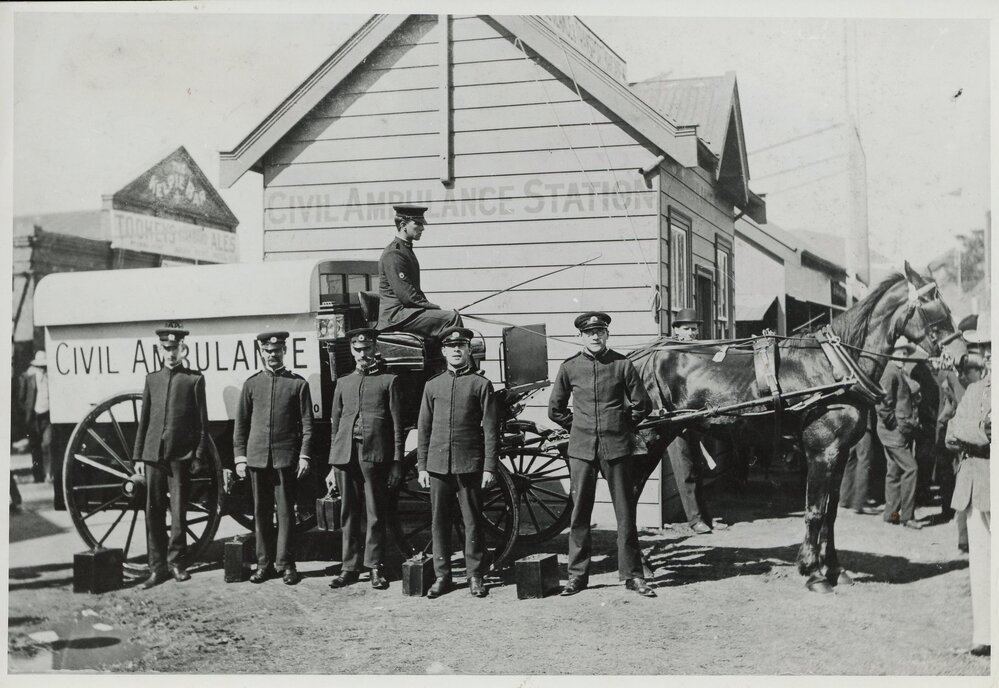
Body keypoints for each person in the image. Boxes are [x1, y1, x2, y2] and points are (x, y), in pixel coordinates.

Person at [548, 311, 655, 598]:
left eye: (600, 332)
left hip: (617, 449)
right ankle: (577, 577)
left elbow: (643, 404)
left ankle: (633, 575)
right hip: (582, 450)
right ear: (580, 336)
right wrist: (580, 427)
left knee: (625, 513)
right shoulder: (569, 367)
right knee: (580, 513)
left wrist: (620, 424)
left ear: (607, 334)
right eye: (589, 333)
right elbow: (555, 409)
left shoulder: (622, 364)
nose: (595, 337)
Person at [417, 327, 498, 599]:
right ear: (443, 351)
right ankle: (443, 576)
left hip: (469, 464)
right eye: (451, 347)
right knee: (439, 522)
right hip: (438, 465)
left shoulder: (480, 385)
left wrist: (488, 467)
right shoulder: (432, 386)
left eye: (461, 346)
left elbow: (490, 430)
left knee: (472, 521)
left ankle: (475, 574)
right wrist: (422, 466)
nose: (456, 351)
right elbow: (424, 428)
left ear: (468, 350)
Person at [132, 323, 210, 589]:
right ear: (159, 349)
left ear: (183, 349)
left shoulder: (194, 380)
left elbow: (202, 424)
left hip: (180, 455)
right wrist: (138, 457)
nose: (171, 353)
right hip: (154, 455)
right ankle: (157, 568)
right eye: (166, 348)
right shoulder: (152, 379)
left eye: (175, 348)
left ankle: (176, 563)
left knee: (178, 513)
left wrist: (198, 455)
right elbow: (143, 422)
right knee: (153, 512)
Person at [326, 328, 405, 591]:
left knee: (374, 513)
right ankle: (349, 567)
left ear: (375, 349)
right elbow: (335, 426)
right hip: (345, 455)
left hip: (375, 455)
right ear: (351, 350)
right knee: (348, 512)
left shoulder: (389, 381)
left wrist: (396, 462)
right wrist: (331, 465)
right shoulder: (343, 383)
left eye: (367, 348)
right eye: (358, 350)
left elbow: (396, 426)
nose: (363, 354)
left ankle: (374, 567)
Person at [234, 331, 314, 585]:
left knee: (286, 513)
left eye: (277, 351)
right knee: (260, 513)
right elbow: (241, 424)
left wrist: (304, 456)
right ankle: (263, 564)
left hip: (285, 458)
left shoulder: (297, 384)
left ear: (284, 352)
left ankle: (286, 564)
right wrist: (239, 457)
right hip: (257, 458)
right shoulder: (251, 384)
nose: (272, 355)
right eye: (268, 352)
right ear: (261, 353)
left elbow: (308, 425)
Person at [945, 313, 990, 658]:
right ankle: (984, 634)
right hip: (977, 483)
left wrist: (971, 433)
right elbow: (951, 433)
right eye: (986, 349)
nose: (988, 355)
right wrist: (981, 434)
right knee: (981, 561)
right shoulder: (976, 389)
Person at [376, 204, 463, 339]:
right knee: (451, 318)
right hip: (396, 317)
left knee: (447, 317)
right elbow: (408, 297)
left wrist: (433, 309)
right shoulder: (394, 254)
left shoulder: (405, 250)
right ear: (403, 224)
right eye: (417, 223)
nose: (422, 228)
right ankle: (451, 359)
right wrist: (435, 308)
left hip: (406, 314)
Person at [665, 308, 713, 534]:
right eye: (687, 329)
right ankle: (694, 520)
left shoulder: (698, 352)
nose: (692, 333)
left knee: (698, 467)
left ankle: (704, 516)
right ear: (676, 330)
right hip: (676, 419)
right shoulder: (669, 353)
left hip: (698, 418)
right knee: (685, 468)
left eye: (694, 329)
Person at [875, 336, 924, 529]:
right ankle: (907, 517)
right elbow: (882, 404)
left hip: (896, 431)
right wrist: (895, 425)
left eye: (905, 353)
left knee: (894, 472)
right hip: (893, 432)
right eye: (899, 353)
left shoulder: (898, 371)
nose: (903, 356)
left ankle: (892, 514)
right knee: (911, 469)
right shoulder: (891, 372)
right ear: (891, 353)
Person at [17, 351, 52, 483]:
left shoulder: (50, 379)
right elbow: (21, 398)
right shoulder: (29, 378)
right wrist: (27, 412)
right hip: (33, 417)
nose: (42, 370)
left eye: (44, 367)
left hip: (47, 416)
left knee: (47, 444)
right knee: (35, 446)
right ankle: (38, 475)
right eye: (40, 367)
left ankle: (48, 473)